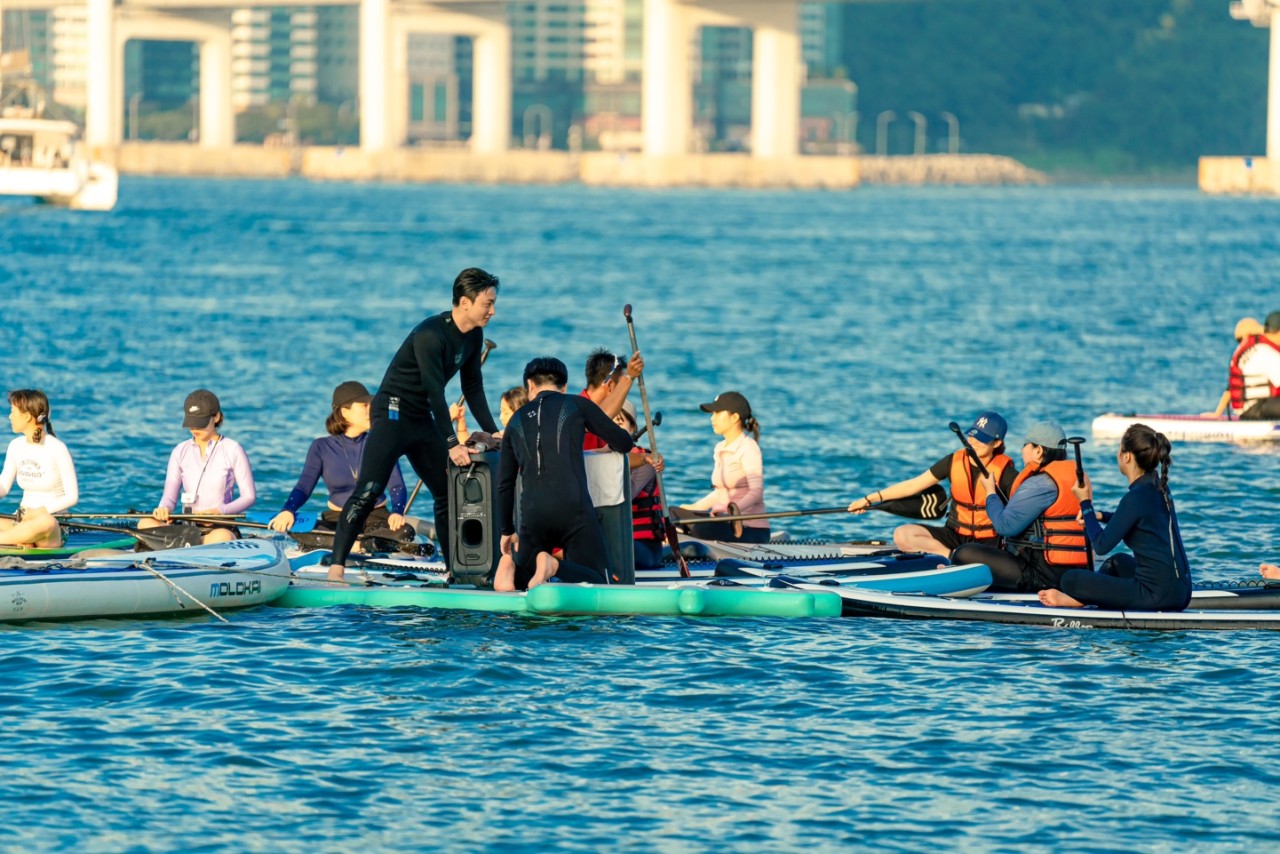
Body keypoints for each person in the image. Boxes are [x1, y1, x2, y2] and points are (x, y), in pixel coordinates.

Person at [326, 267, 500, 582]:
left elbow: (472, 387)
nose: (492, 310)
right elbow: (436, 390)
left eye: (493, 303)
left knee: (447, 492)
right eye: (487, 303)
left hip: (420, 417)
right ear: (464, 302)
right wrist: (452, 444)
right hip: (392, 413)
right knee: (368, 491)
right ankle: (336, 569)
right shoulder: (431, 334)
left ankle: (454, 571)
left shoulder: (474, 335)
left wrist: (493, 430)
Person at [493, 357, 634, 591]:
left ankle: (510, 569)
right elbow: (624, 442)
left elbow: (504, 484)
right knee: (600, 583)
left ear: (530, 385)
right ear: (564, 386)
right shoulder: (576, 404)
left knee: (527, 583)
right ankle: (553, 566)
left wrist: (506, 531)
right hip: (574, 511)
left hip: (532, 514)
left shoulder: (515, 420)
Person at [1039, 424, 1192, 611]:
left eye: (1119, 450)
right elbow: (1136, 520)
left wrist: (1085, 503)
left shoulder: (1135, 498)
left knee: (1070, 579)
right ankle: (1089, 598)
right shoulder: (1159, 488)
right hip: (1182, 593)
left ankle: (1081, 599)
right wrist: (1100, 516)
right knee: (1117, 561)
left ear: (1127, 456)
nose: (1117, 455)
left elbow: (1101, 546)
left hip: (1155, 596)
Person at [848, 411, 1017, 559]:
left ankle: (962, 560)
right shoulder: (954, 461)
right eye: (973, 435)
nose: (974, 441)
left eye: (982, 439)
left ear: (996, 443)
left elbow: (1023, 510)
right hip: (954, 535)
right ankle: (950, 558)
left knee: (974, 554)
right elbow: (913, 485)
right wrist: (869, 499)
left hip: (988, 541)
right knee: (903, 534)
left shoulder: (1006, 472)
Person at [952, 421, 1090, 592]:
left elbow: (1005, 526)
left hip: (1041, 576)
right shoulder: (1077, 479)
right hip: (1072, 570)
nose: (1022, 450)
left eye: (1025, 446)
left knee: (963, 553)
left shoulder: (1038, 484)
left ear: (1038, 451)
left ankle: (957, 574)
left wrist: (990, 492)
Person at [268, 381, 409, 537]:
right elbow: (303, 487)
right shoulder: (320, 447)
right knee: (296, 528)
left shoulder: (381, 443)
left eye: (371, 405)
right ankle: (360, 546)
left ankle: (358, 545)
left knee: (406, 532)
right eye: (364, 406)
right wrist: (288, 510)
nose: (371, 410)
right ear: (345, 412)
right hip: (336, 520)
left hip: (376, 517)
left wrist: (397, 512)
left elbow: (396, 485)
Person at [141, 389, 255, 545]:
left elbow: (249, 497)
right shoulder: (179, 451)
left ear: (216, 417)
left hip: (219, 526)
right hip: (187, 525)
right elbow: (169, 496)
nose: (195, 429)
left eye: (200, 423)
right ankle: (185, 543)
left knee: (223, 537)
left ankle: (180, 544)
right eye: (192, 423)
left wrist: (219, 512)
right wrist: (163, 508)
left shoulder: (233, 449)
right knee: (145, 523)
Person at [678, 391, 768, 544]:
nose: (712, 418)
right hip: (721, 521)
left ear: (734, 417)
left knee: (698, 528)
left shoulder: (748, 448)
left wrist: (730, 511)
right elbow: (719, 493)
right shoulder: (719, 448)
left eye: (717, 413)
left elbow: (756, 492)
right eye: (712, 413)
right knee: (674, 514)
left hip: (747, 529)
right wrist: (693, 507)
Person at [0, 389, 77, 548]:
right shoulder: (15, 446)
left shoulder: (57, 448)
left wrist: (39, 511)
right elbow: (4, 486)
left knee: (45, 521)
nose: (9, 417)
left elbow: (72, 497)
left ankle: (15, 540)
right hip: (20, 521)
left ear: (27, 416)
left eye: (12, 412)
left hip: (51, 527)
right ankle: (20, 539)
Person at [614, 400, 666, 569]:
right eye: (609, 423)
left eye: (619, 422)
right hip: (618, 540)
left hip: (643, 546)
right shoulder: (598, 458)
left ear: (632, 428)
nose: (613, 428)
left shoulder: (648, 462)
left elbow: (622, 496)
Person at [581, 348, 644, 450]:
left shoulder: (577, 405)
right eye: (620, 387)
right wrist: (629, 377)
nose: (623, 396)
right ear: (610, 385)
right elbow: (597, 418)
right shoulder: (582, 414)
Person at [1226, 310, 1280, 420]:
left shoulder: (1252, 346)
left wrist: (1217, 413)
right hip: (1255, 409)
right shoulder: (1265, 352)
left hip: (1250, 408)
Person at [1208, 316, 1267, 416]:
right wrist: (1217, 413)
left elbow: (1231, 388)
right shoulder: (1261, 351)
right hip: (1259, 407)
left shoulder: (1241, 355)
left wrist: (1217, 413)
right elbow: (1232, 387)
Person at [450, 385, 526, 444]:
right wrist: (461, 421)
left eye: (506, 412)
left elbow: (470, 455)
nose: (501, 417)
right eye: (501, 412)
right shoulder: (500, 436)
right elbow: (469, 451)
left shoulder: (507, 440)